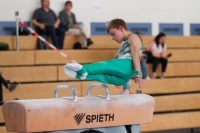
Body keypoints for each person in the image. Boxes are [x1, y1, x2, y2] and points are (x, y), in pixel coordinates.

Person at [64, 18, 144, 94]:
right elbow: (126, 70)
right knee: (100, 76)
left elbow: (135, 57)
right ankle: (79, 75)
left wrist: (138, 74)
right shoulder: (125, 44)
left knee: (104, 65)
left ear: (121, 29)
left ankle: (84, 69)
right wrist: (126, 89)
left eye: (113, 34)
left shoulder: (133, 37)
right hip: (124, 77)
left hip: (127, 66)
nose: (112, 38)